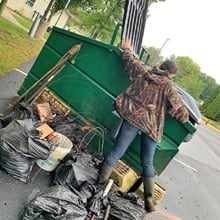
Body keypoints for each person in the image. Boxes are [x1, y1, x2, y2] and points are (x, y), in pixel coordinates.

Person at [98, 39, 189, 212]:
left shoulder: (144, 73)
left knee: (117, 152)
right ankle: (148, 201)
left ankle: (99, 186)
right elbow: (182, 114)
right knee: (147, 162)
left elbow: (131, 62)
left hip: (133, 120)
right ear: (171, 74)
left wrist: (127, 49)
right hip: (152, 127)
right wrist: (172, 109)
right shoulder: (168, 86)